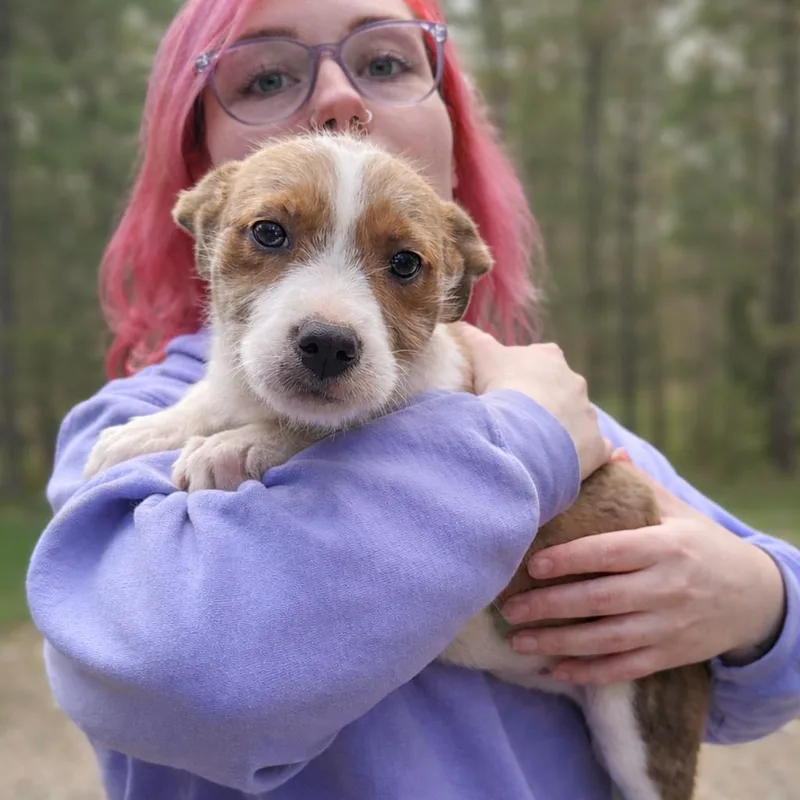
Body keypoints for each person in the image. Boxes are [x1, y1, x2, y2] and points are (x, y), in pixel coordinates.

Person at [26, 0, 800, 798]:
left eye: (387, 63)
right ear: (204, 209)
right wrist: (529, 440)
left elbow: (767, 645)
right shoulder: (123, 424)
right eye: (266, 76)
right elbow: (167, 671)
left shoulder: (548, 401)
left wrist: (761, 602)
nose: (338, 99)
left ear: (451, 285)